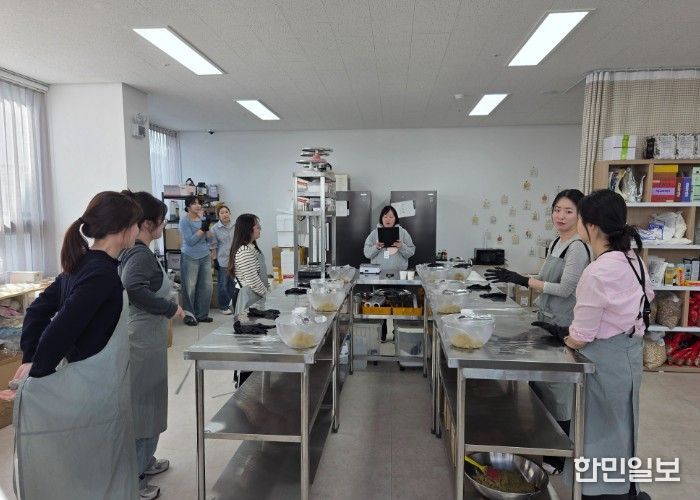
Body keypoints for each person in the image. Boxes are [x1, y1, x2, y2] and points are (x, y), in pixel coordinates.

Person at [0, 191, 141, 500]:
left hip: (87, 381)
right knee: (99, 468)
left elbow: (37, 312)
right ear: (121, 228)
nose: (137, 231)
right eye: (135, 224)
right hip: (93, 389)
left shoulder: (80, 265)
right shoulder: (102, 275)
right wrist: (37, 372)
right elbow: (60, 328)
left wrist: (31, 358)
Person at [532, 190, 653, 500]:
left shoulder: (596, 271)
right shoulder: (634, 261)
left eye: (578, 217)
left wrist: (566, 336)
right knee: (624, 425)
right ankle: (626, 487)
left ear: (592, 226)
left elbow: (582, 334)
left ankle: (599, 492)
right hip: (629, 354)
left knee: (598, 431)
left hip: (602, 360)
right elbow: (646, 301)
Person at [485, 189, 591, 474]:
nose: (560, 216)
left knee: (558, 390)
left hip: (564, 324)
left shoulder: (578, 247)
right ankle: (541, 441)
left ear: (580, 215)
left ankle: (558, 457)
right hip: (546, 318)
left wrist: (524, 281)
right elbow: (544, 279)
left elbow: (565, 289)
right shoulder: (557, 242)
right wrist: (519, 278)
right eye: (557, 209)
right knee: (540, 384)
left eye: (568, 211)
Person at [119, 191, 185, 500]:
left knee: (153, 403)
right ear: (147, 224)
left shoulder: (140, 252)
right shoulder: (140, 254)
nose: (163, 227)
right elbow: (133, 287)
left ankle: (145, 460)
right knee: (144, 408)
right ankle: (134, 478)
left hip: (150, 339)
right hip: (142, 341)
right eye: (161, 222)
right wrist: (168, 307)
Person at [179, 196, 214, 326]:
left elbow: (210, 239)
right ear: (188, 206)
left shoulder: (202, 219)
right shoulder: (184, 221)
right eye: (194, 203)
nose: (198, 206)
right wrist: (202, 229)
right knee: (190, 288)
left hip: (204, 255)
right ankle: (189, 316)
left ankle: (202, 315)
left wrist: (207, 227)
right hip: (190, 256)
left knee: (206, 287)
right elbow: (190, 241)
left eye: (199, 203)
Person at [228, 213, 268, 315]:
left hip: (255, 295)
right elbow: (253, 282)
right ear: (248, 230)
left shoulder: (251, 247)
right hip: (247, 298)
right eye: (257, 227)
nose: (260, 229)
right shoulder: (244, 251)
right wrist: (268, 296)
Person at [363, 205, 416, 271]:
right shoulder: (374, 233)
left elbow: (411, 252)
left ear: (395, 218)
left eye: (391, 217)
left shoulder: (403, 232)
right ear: (381, 219)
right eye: (385, 217)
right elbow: (367, 253)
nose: (388, 219)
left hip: (399, 273)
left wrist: (402, 246)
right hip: (378, 273)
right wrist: (376, 247)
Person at [210, 204, 236, 314]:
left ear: (229, 213)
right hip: (223, 260)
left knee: (233, 284)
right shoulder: (214, 229)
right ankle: (223, 306)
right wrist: (214, 260)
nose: (225, 214)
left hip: (235, 259)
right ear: (218, 216)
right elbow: (213, 246)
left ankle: (232, 305)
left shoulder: (235, 225)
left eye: (226, 212)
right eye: (222, 213)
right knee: (223, 285)